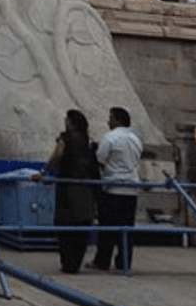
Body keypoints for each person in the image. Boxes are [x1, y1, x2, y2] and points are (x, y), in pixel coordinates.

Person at [35, 109, 99, 273]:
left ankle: (67, 262)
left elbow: (57, 154)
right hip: (86, 189)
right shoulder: (87, 141)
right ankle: (75, 263)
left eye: (66, 119)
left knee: (65, 225)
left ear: (71, 122)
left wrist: (43, 172)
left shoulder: (65, 138)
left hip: (67, 188)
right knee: (82, 226)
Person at [88, 107, 143, 272]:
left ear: (118, 120)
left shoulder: (110, 137)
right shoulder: (135, 139)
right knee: (127, 229)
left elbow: (100, 158)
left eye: (111, 118)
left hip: (113, 188)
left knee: (108, 228)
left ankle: (102, 261)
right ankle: (124, 262)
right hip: (132, 188)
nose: (108, 121)